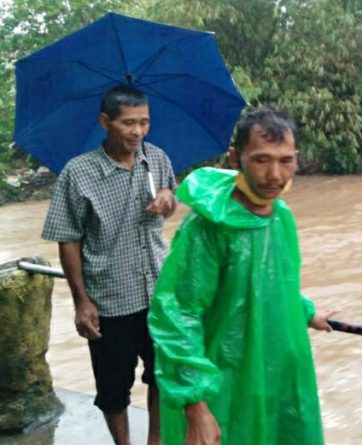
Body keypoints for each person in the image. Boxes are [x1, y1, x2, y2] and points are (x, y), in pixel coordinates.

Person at [147, 108, 334, 445]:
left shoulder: (281, 215)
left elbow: (279, 283)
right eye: (261, 159)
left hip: (282, 370)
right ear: (236, 158)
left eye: (285, 160)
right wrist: (196, 407)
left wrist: (307, 312)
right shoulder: (208, 228)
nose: (275, 174)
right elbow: (177, 314)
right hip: (227, 378)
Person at [42, 85, 177, 445]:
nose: (138, 132)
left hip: (159, 292)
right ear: (105, 121)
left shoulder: (158, 159)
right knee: (113, 387)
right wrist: (81, 301)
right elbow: (67, 238)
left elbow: (171, 200)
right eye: (128, 123)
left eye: (144, 122)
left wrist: (168, 199)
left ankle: (155, 440)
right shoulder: (79, 173)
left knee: (163, 374)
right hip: (110, 298)